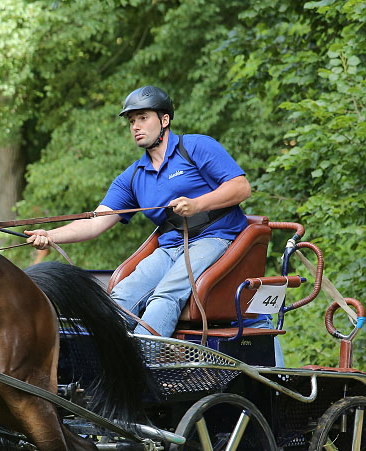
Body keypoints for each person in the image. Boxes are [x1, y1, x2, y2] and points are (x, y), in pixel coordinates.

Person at [25, 85, 251, 338]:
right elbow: (94, 223)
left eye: (143, 118)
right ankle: (106, 360)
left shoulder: (196, 147)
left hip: (215, 238)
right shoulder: (132, 177)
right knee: (122, 295)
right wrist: (51, 235)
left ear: (165, 120)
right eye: (132, 121)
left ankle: (145, 363)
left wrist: (198, 204)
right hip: (169, 249)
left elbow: (240, 187)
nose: (135, 126)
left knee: (166, 294)